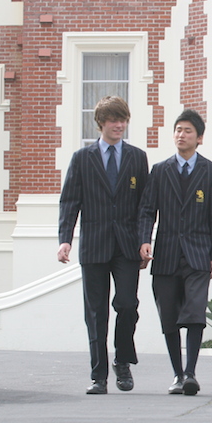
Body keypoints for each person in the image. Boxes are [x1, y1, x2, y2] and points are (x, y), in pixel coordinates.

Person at [58, 96, 149, 395]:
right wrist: (65, 240)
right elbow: (70, 202)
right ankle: (99, 376)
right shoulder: (82, 159)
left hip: (127, 246)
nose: (119, 125)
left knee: (127, 304)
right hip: (94, 246)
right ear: (101, 123)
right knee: (96, 313)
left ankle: (122, 360)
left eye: (123, 120)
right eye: (113, 120)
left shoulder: (137, 158)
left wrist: (145, 240)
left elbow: (144, 206)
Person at [138, 109, 212, 396]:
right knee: (170, 317)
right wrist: (144, 240)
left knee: (196, 312)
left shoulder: (211, 171)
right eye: (177, 130)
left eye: (187, 130)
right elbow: (148, 210)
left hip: (198, 255)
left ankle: (191, 372)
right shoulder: (160, 170)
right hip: (166, 254)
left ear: (198, 137)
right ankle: (177, 374)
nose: (181, 135)